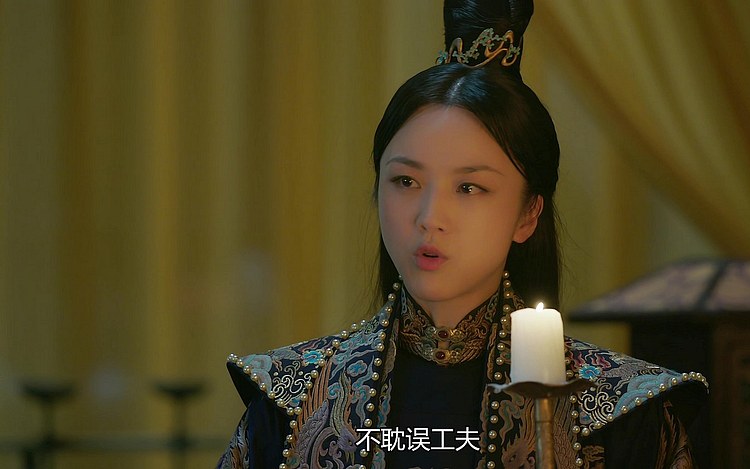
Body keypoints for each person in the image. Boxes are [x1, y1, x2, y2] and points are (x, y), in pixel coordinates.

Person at [217, 1, 708, 468]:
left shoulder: (623, 413)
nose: (430, 217)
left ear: (528, 214)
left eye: (470, 187)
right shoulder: (293, 400)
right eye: (405, 181)